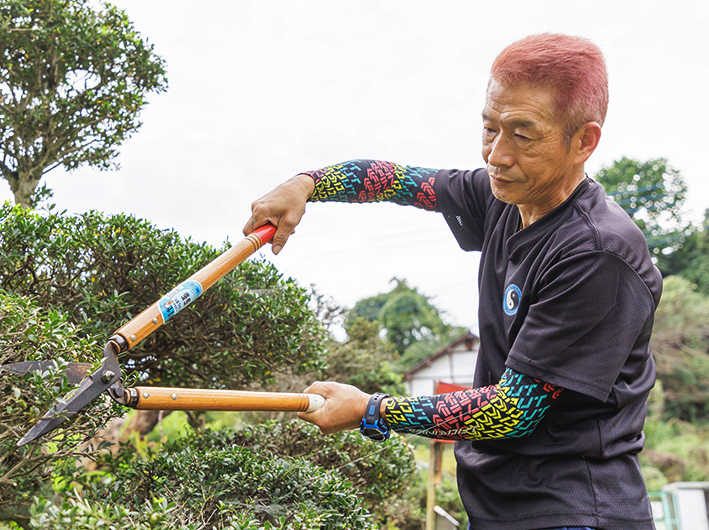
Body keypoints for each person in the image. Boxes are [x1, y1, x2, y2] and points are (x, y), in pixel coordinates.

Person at [244, 33, 661, 530]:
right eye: (490, 128)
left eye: (523, 135)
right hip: (501, 508)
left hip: (574, 512)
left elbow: (514, 410)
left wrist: (372, 410)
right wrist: (306, 183)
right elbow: (395, 180)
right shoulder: (502, 198)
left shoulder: (597, 253)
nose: (497, 155)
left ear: (584, 142)